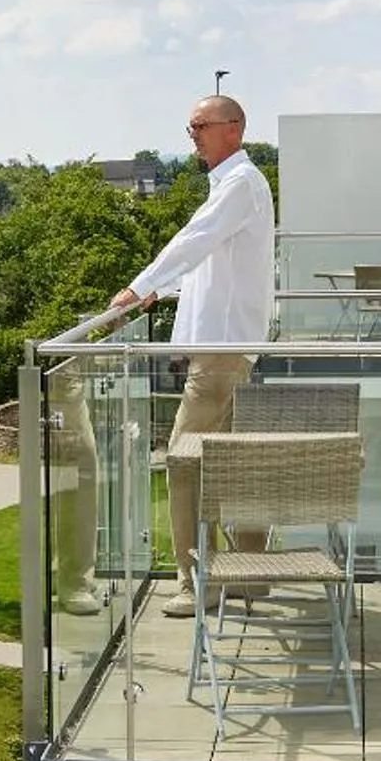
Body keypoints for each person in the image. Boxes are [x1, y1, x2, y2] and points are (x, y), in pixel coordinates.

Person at [112, 93, 275, 618]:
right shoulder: (235, 187)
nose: (193, 137)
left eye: (199, 126)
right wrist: (169, 286)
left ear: (233, 128)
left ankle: (196, 583)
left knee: (183, 464)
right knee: (233, 461)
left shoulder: (240, 184)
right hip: (228, 351)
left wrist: (140, 287)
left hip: (221, 356)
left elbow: (195, 238)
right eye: (190, 128)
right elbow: (209, 259)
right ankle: (248, 574)